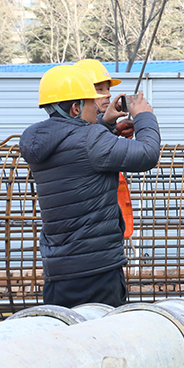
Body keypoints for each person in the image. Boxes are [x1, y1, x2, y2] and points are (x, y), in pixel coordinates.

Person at [20, 64, 160, 307]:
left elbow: (76, 146)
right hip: (98, 271)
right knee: (101, 329)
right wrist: (143, 116)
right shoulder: (91, 139)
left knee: (65, 327)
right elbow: (147, 154)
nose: (96, 107)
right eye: (90, 102)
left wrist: (105, 126)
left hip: (58, 273)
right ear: (75, 108)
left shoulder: (35, 141)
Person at [74, 59, 135, 238]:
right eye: (99, 89)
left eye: (108, 89)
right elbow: (147, 154)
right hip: (91, 234)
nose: (108, 94)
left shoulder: (75, 132)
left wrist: (111, 128)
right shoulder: (77, 136)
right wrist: (144, 117)